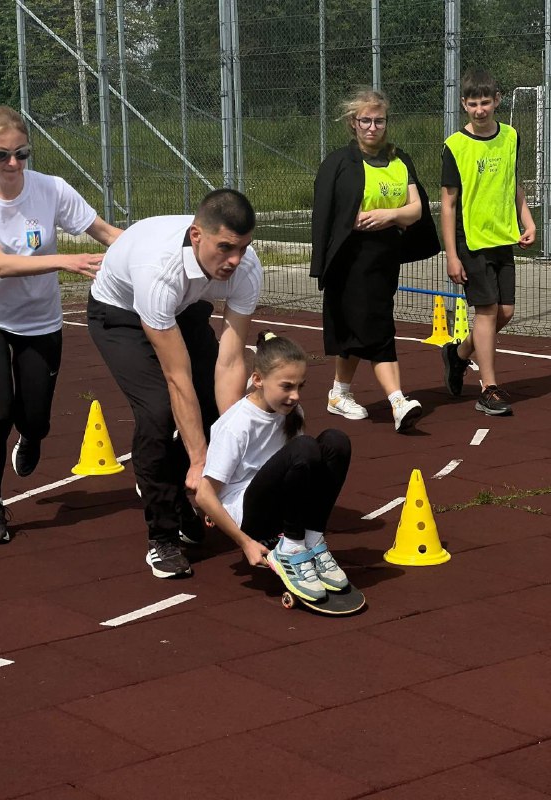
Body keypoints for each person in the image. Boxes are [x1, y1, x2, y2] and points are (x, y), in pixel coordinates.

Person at [0, 105, 123, 546]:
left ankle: (31, 436)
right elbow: (0, 264)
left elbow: (105, 232)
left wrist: (158, 247)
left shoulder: (52, 189)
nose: (13, 164)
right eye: (2, 155)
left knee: (36, 420)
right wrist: (65, 260)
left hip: (40, 321)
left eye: (21, 153)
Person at [87, 188, 262, 579]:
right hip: (120, 314)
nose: (235, 259)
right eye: (225, 247)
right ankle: (162, 537)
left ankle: (174, 489)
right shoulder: (159, 269)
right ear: (197, 236)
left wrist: (231, 442)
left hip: (184, 306)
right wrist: (200, 462)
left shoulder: (246, 268)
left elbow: (230, 361)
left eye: (243, 247)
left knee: (214, 407)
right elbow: (176, 377)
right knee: (159, 412)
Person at [311, 88, 440, 432]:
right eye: (365, 120)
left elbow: (416, 209)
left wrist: (389, 215)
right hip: (350, 261)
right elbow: (331, 214)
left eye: (379, 121)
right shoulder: (340, 163)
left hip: (384, 259)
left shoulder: (400, 161)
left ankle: (339, 394)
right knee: (378, 328)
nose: (372, 127)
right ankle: (398, 402)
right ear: (353, 123)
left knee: (358, 329)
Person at [196, 331, 352, 601]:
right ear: (258, 380)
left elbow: (303, 470)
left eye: (300, 386)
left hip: (279, 506)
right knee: (304, 448)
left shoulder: (292, 413)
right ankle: (291, 548)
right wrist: (245, 543)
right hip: (250, 516)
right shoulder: (236, 425)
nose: (295, 396)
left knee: (336, 442)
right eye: (287, 386)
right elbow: (203, 495)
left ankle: (312, 538)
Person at [441, 68, 536, 415]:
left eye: (485, 102)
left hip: (502, 237)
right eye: (473, 103)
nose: (479, 109)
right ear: (463, 104)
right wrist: (452, 255)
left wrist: (527, 220)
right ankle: (489, 389)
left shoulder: (510, 136)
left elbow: (513, 183)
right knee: (486, 311)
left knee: (505, 311)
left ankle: (458, 354)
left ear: (497, 101)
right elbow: (448, 204)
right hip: (471, 240)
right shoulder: (455, 146)